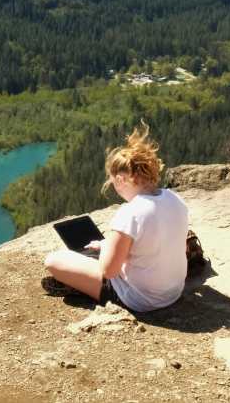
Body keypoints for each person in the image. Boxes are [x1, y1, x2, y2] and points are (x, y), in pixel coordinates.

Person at [43, 124, 188, 312]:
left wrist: (106, 248)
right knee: (103, 253)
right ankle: (84, 280)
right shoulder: (174, 198)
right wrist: (109, 246)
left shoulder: (131, 212)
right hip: (173, 291)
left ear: (120, 179)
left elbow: (109, 271)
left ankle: (81, 287)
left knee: (54, 260)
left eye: (113, 182)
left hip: (140, 300)